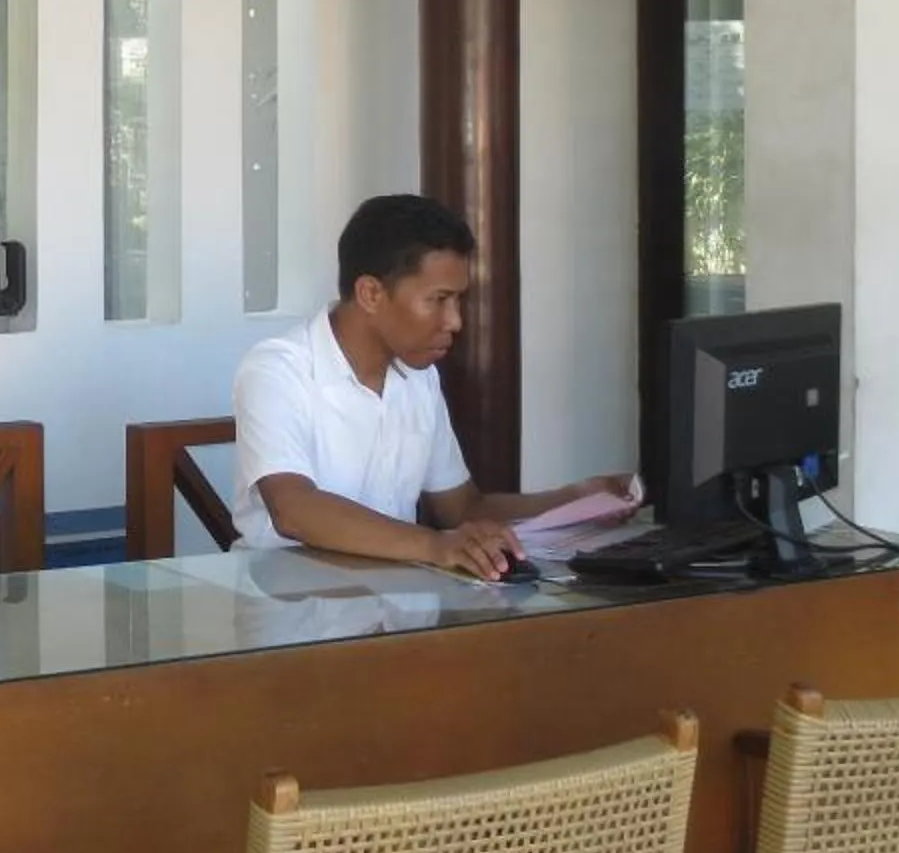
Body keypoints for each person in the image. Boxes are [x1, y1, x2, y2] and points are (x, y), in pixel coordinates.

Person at [232, 193, 632, 580]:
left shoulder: (419, 376)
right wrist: (436, 546)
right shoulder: (277, 369)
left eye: (458, 300)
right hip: (287, 614)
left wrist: (577, 498)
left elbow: (463, 509)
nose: (454, 321)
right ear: (371, 293)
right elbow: (295, 511)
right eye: (439, 299)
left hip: (396, 604)